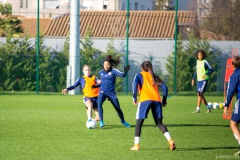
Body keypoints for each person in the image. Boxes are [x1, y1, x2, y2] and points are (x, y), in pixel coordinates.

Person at [130, 61, 176, 151]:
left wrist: (134, 98)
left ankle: (136, 145)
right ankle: (170, 141)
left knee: (139, 124)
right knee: (159, 123)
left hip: (145, 100)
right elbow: (165, 88)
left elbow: (134, 85)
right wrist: (164, 100)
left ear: (141, 67)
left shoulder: (139, 75)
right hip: (157, 100)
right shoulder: (154, 77)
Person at [95, 55, 131, 128]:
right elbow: (102, 82)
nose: (106, 66)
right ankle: (101, 121)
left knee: (117, 108)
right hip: (102, 92)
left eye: (107, 65)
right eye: (105, 65)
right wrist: (96, 86)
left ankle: (123, 121)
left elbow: (122, 75)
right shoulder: (100, 72)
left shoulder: (114, 71)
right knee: (99, 104)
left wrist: (125, 72)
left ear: (110, 65)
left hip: (111, 93)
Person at [224, 56, 240, 156]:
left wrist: (226, 105)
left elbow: (230, 92)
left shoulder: (234, 76)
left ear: (233, 66)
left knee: (233, 123)